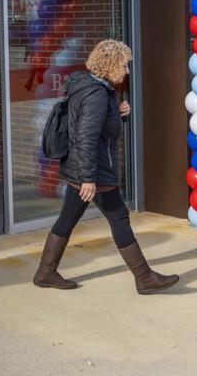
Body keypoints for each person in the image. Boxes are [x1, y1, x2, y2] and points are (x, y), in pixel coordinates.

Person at [33, 39, 179, 294]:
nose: (127, 70)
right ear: (110, 65)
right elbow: (86, 136)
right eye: (124, 65)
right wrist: (88, 177)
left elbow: (94, 127)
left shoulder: (87, 86)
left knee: (68, 217)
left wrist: (118, 113)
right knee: (119, 217)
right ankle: (144, 278)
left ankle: (45, 272)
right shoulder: (97, 94)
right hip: (94, 169)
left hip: (81, 166)